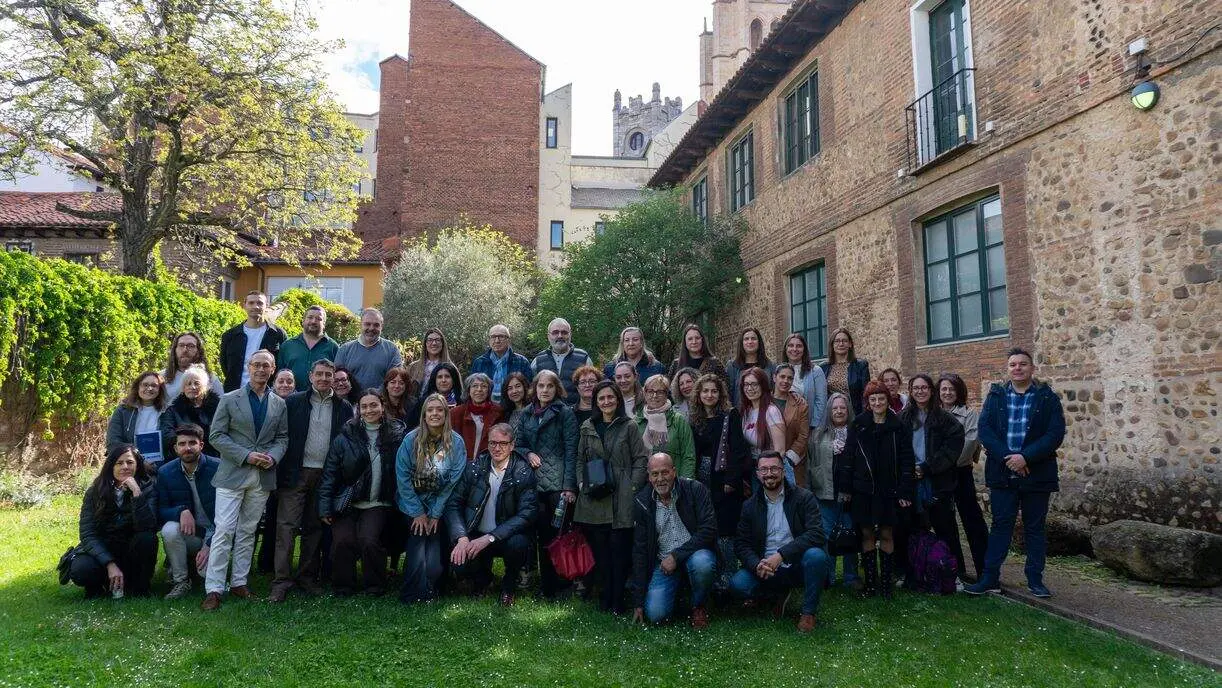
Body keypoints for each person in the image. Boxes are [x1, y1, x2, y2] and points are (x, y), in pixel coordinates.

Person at [965, 348, 1065, 599]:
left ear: (1032, 368)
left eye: (1022, 364)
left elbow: (1055, 434)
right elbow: (985, 430)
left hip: (1037, 473)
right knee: (1000, 526)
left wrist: (1026, 457)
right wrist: (1010, 458)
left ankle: (1035, 580)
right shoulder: (996, 396)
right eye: (1013, 365)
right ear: (1007, 369)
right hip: (1003, 472)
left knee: (1034, 529)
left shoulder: (1046, 397)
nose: (1017, 368)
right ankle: (989, 578)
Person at [202, 349, 289, 611]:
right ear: (249, 367)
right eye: (257, 365)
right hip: (233, 473)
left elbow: (282, 438)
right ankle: (214, 588)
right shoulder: (230, 399)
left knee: (248, 531)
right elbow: (216, 436)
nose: (261, 370)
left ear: (272, 370)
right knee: (224, 530)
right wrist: (246, 455)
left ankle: (239, 582)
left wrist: (272, 457)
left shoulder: (279, 404)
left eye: (266, 366)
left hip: (262, 477)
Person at [269, 359, 353, 602]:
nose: (324, 379)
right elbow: (282, 435)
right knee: (286, 528)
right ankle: (281, 581)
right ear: (311, 376)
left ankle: (306, 577)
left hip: (325, 475)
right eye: (320, 374)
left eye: (329, 375)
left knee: (314, 528)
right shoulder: (293, 402)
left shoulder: (344, 407)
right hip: (296, 472)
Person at [318, 388, 407, 596]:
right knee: (343, 541)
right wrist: (324, 507)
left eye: (374, 405)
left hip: (378, 503)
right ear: (358, 409)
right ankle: (343, 585)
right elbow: (330, 474)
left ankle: (374, 585)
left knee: (369, 540)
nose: (369, 410)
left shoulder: (397, 436)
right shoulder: (345, 437)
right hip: (347, 503)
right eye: (364, 406)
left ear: (382, 406)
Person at [730, 451, 830, 633]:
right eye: (764, 469)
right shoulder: (749, 506)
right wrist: (756, 564)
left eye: (774, 468)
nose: (769, 473)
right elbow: (741, 544)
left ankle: (808, 613)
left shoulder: (804, 498)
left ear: (783, 471)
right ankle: (776, 594)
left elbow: (817, 533)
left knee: (816, 556)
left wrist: (781, 555)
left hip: (795, 564)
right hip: (765, 568)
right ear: (758, 474)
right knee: (738, 584)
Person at [574, 381, 648, 614]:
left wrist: (633, 486)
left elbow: (641, 459)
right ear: (596, 402)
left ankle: (617, 601)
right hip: (594, 497)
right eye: (601, 398)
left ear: (618, 400)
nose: (606, 402)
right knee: (601, 554)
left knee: (619, 552)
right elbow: (579, 459)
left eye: (610, 397)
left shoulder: (629, 426)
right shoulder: (587, 426)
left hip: (621, 498)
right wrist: (581, 482)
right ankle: (604, 597)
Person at [837, 380, 915, 599]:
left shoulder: (898, 426)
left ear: (887, 400)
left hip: (889, 489)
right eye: (873, 399)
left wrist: (905, 490)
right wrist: (845, 488)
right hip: (863, 488)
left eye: (881, 398)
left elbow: (907, 459)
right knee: (867, 532)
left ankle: (886, 584)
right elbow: (848, 457)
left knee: (888, 533)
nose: (878, 402)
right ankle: (871, 583)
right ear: (868, 402)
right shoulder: (859, 424)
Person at [446, 423, 538, 606]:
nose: (497, 448)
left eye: (503, 443)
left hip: (506, 536)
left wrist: (491, 537)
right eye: (493, 443)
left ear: (512, 445)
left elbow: (527, 514)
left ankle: (509, 586)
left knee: (518, 544)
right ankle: (481, 581)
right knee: (460, 564)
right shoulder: (473, 468)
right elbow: (453, 504)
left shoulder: (523, 472)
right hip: (476, 532)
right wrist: (461, 538)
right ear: (487, 444)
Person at [631, 453, 718, 628]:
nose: (660, 479)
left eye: (665, 472)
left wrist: (676, 556)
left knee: (703, 564)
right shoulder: (642, 502)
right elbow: (640, 552)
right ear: (649, 477)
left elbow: (709, 530)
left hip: (695, 554)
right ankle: (678, 598)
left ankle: (698, 606)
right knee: (656, 615)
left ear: (674, 472)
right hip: (663, 563)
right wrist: (638, 602)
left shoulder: (695, 489)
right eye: (655, 474)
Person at [513, 369, 578, 600]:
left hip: (558, 485)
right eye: (541, 386)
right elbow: (517, 443)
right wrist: (528, 453)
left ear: (557, 388)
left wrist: (570, 486)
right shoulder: (527, 414)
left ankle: (564, 583)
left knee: (559, 535)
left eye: (550, 386)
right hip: (534, 483)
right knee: (541, 536)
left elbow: (572, 451)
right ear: (535, 388)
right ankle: (547, 585)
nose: (545, 390)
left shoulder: (565, 413)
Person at [396, 393, 467, 603]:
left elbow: (452, 482)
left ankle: (432, 589)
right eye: (430, 410)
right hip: (412, 503)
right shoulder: (411, 440)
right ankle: (412, 594)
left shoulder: (456, 443)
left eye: (439, 410)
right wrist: (418, 513)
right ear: (424, 415)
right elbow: (403, 478)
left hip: (440, 504)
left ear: (446, 414)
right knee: (418, 539)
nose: (434, 414)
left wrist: (435, 514)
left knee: (434, 549)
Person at [899, 373, 966, 585]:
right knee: (909, 529)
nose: (920, 391)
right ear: (910, 392)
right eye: (915, 388)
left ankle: (955, 574)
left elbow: (951, 449)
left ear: (931, 390)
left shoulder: (946, 420)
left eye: (924, 387)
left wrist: (927, 468)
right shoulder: (903, 418)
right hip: (910, 481)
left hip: (937, 482)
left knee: (945, 528)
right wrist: (909, 471)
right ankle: (911, 573)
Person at [69, 444, 159, 599]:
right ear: (111, 466)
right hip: (104, 548)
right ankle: (97, 587)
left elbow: (148, 526)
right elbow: (87, 534)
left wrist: (137, 494)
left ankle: (139, 587)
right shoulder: (95, 491)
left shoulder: (147, 488)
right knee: (81, 569)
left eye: (130, 462)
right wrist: (109, 563)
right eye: (119, 463)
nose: (125, 467)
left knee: (147, 539)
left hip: (130, 548)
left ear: (137, 465)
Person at [688, 373, 751, 587]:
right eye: (705, 391)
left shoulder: (729, 415)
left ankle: (728, 577)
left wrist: (732, 481)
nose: (709, 394)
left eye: (714, 391)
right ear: (699, 393)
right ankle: (710, 576)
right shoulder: (695, 418)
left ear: (720, 393)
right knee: (706, 524)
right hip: (702, 478)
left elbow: (738, 450)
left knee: (726, 529)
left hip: (724, 479)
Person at [155, 424, 219, 600]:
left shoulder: (218, 468)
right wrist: (181, 511)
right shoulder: (166, 472)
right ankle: (181, 581)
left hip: (219, 534)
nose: (187, 448)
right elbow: (161, 510)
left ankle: (200, 568)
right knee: (169, 529)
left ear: (201, 445)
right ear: (176, 448)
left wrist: (210, 544)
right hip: (193, 533)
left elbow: (230, 515)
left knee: (207, 576)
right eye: (182, 444)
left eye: (192, 443)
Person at [939, 373, 988, 580]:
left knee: (972, 520)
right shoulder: (934, 414)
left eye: (951, 389)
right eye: (943, 389)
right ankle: (956, 569)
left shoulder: (969, 415)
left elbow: (970, 444)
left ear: (958, 392)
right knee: (946, 523)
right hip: (940, 475)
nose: (947, 393)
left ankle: (985, 570)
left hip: (960, 471)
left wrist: (943, 462)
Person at [808, 393, 860, 589]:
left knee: (849, 534)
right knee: (826, 536)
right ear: (829, 411)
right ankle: (826, 576)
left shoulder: (856, 432)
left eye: (843, 408)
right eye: (835, 408)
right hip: (825, 493)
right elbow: (811, 463)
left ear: (848, 410)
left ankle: (851, 576)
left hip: (850, 493)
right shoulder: (818, 434)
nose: (839, 411)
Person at [219, 291, 287, 392]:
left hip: (266, 394)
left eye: (260, 303)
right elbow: (224, 364)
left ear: (266, 306)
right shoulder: (230, 335)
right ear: (244, 306)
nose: (256, 306)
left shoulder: (278, 334)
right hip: (235, 392)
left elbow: (283, 364)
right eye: (251, 303)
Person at [636, 375, 697, 479]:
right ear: (645, 393)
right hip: (643, 483)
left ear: (666, 394)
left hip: (674, 482)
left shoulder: (678, 420)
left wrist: (684, 484)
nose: (654, 395)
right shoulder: (637, 422)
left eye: (660, 392)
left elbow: (688, 456)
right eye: (650, 391)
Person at [335, 308, 403, 393]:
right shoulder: (345, 350)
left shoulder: (391, 349)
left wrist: (373, 397)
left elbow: (395, 378)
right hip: (351, 403)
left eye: (376, 325)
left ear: (381, 326)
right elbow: (337, 380)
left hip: (381, 403)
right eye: (367, 324)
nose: (371, 328)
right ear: (361, 325)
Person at [106, 371, 168, 465]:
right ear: (138, 387)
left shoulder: (167, 411)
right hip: (130, 465)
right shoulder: (122, 411)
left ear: (160, 389)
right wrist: (139, 462)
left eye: (154, 385)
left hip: (161, 466)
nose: (149, 388)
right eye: (145, 385)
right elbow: (113, 442)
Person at [160, 364, 220, 457]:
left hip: (214, 456)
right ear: (183, 388)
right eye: (188, 384)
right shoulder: (173, 410)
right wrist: (190, 443)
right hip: (183, 457)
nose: (192, 387)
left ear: (205, 386)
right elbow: (167, 435)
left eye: (196, 383)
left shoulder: (219, 407)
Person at [739, 367, 786, 481]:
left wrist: (767, 473)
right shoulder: (746, 412)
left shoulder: (771, 411)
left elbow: (780, 450)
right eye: (746, 384)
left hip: (770, 473)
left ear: (763, 386)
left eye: (754, 384)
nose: (750, 388)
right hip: (754, 470)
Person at [277, 306, 339, 392]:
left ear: (324, 324)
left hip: (321, 399)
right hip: (291, 398)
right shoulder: (287, 346)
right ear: (303, 321)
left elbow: (337, 375)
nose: (313, 321)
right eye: (310, 317)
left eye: (318, 319)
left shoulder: (333, 347)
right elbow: (279, 374)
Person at [531, 317, 592, 400]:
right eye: (555, 332)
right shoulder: (538, 360)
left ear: (570, 335)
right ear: (548, 336)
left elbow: (592, 387)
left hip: (575, 411)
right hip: (546, 411)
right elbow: (533, 390)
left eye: (564, 332)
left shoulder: (583, 358)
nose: (560, 336)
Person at [470, 324, 532, 403]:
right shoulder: (480, 362)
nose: (497, 340)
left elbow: (529, 389)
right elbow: (473, 388)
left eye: (501, 336)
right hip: (487, 409)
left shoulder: (521, 362)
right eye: (493, 337)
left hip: (513, 409)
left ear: (508, 340)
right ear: (489, 340)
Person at [773, 364, 810, 488]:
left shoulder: (801, 405)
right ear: (774, 378)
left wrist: (787, 459)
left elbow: (803, 436)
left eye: (789, 378)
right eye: (782, 377)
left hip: (791, 463)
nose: (785, 381)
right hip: (766, 462)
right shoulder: (763, 401)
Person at [451, 373, 503, 461]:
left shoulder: (498, 412)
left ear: (489, 391)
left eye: (484, 386)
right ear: (468, 390)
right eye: (475, 386)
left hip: (488, 463)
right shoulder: (456, 413)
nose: (479, 389)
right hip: (462, 463)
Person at [820, 327, 871, 417]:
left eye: (844, 341)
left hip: (854, 413)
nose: (841, 344)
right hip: (831, 415)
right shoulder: (823, 367)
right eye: (837, 341)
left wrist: (864, 417)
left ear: (850, 344)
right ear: (832, 345)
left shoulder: (860, 366)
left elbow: (866, 394)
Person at [781, 333, 827, 428]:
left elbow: (821, 402)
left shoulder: (816, 371)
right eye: (790, 345)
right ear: (785, 349)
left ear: (804, 350)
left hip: (808, 426)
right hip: (784, 426)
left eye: (799, 346)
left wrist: (813, 425)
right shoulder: (779, 371)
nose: (794, 349)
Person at [162, 332, 223, 400]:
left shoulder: (211, 379)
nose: (185, 350)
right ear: (175, 350)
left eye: (191, 346)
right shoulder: (161, 378)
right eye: (181, 345)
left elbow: (222, 406)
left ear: (198, 351)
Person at [725, 327, 776, 402]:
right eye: (746, 339)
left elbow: (776, 391)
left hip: (764, 411)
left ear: (759, 342)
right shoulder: (732, 366)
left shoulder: (770, 366)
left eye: (753, 338)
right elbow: (727, 394)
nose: (750, 342)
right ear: (741, 343)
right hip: (740, 412)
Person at [407, 362, 464, 430]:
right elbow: (410, 427)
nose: (443, 380)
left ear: (454, 379)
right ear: (434, 380)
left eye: (447, 376)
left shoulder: (461, 403)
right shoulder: (423, 402)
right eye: (439, 377)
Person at [406, 328, 453, 395]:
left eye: (437, 340)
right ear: (425, 343)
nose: (434, 343)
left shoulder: (451, 367)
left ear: (443, 344)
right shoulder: (413, 367)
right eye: (430, 340)